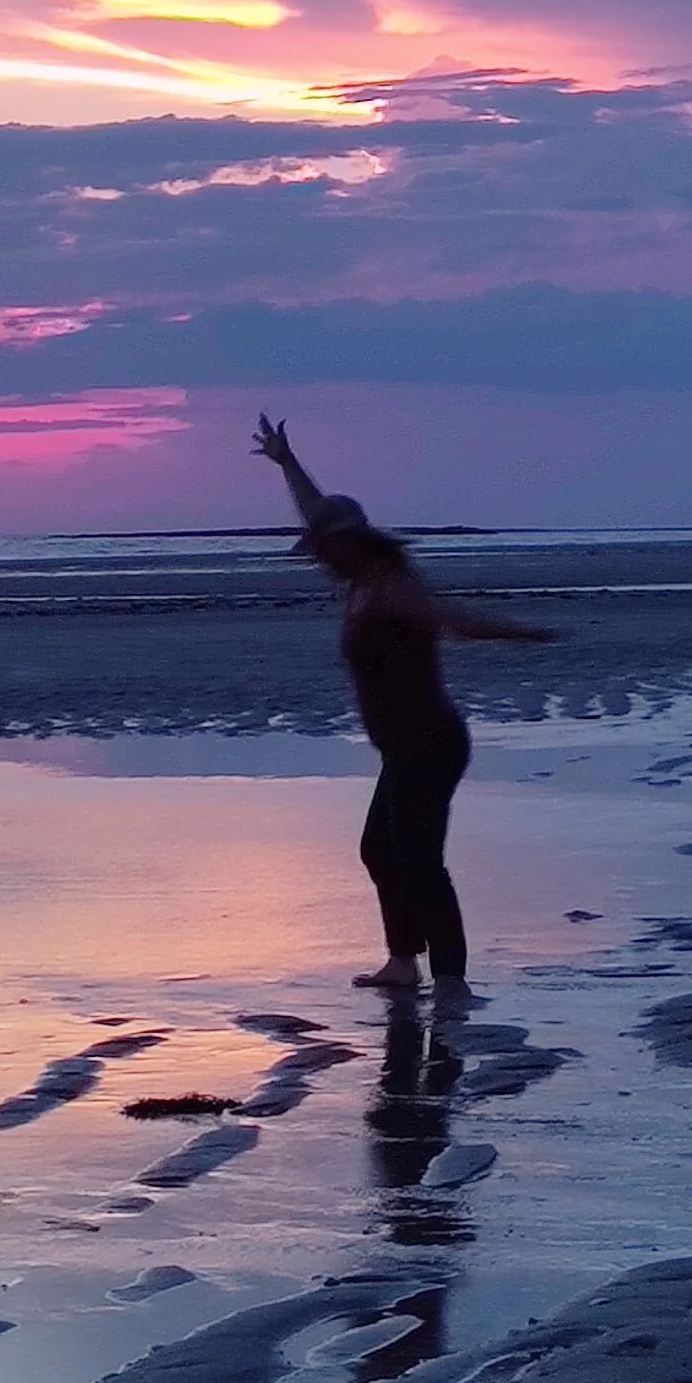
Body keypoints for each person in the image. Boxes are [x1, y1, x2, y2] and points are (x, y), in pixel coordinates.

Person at [251, 414, 555, 997]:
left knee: (417, 859)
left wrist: (525, 633)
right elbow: (320, 511)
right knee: (380, 850)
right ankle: (401, 962)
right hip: (402, 746)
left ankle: (450, 981)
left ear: (350, 544)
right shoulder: (359, 580)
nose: (319, 557)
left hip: (429, 742)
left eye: (325, 548)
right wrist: (287, 463)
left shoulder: (392, 584)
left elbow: (456, 620)